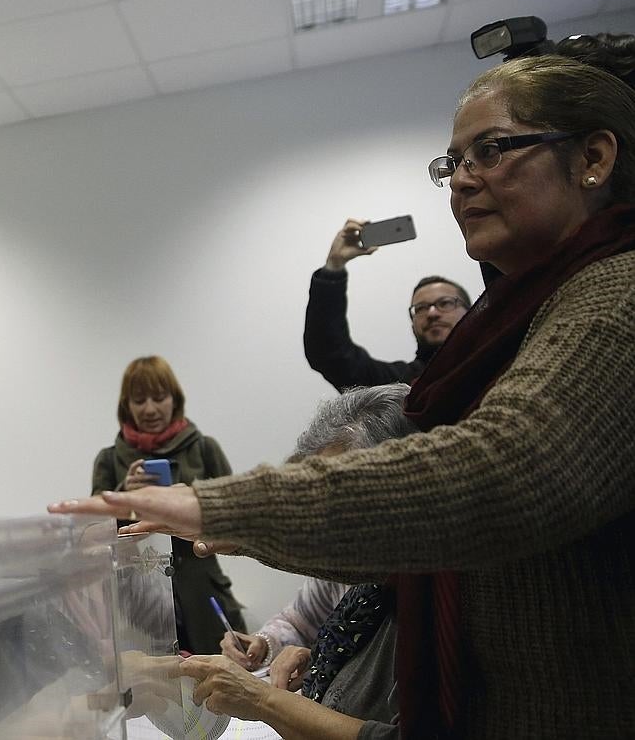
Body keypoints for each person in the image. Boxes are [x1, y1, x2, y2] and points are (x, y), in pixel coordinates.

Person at [52, 51, 635, 736]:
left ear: (592, 157)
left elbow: (505, 469)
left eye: (493, 149)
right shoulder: (511, 329)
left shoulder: (608, 300)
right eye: (452, 162)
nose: (463, 181)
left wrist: (217, 509)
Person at [186, 384, 419, 740]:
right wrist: (274, 645)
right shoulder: (359, 580)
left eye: (339, 495)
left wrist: (261, 699)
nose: (324, 519)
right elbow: (299, 618)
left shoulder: (437, 600)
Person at [91, 356, 244, 654]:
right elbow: (96, 534)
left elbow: (239, 519)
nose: (149, 409)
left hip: (205, 596)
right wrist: (126, 497)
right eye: (139, 400)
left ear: (175, 400)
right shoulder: (108, 460)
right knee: (154, 693)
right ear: (126, 406)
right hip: (140, 606)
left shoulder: (205, 448)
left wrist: (193, 502)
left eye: (159, 397)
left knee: (227, 686)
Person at [304, 220, 472, 389]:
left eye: (445, 303)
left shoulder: (495, 358)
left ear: (471, 311)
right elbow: (330, 354)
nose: (432, 313)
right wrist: (333, 267)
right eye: (421, 308)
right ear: (412, 324)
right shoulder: (399, 384)